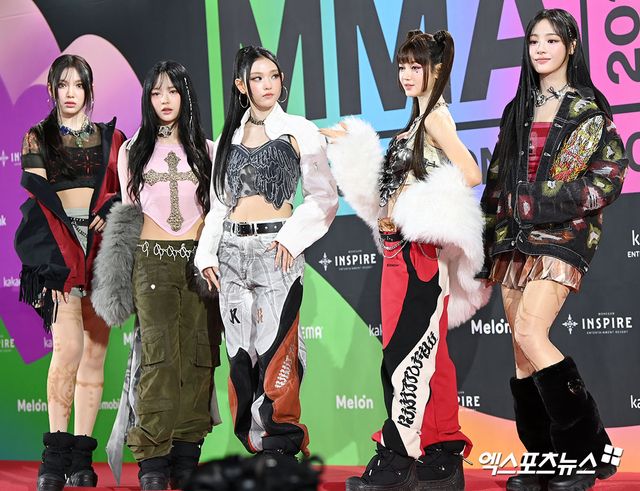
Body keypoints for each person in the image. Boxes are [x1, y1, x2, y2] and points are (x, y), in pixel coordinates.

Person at [321, 30, 487, 491]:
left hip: (418, 255)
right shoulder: (416, 120)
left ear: (436, 69)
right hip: (400, 253)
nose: (407, 75)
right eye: (402, 66)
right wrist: (351, 145)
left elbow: (470, 173)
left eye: (416, 66)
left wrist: (417, 203)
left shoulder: (435, 118)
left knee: (405, 358)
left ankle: (399, 458)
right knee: (427, 355)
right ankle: (439, 453)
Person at [478, 8, 628, 491]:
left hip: (562, 236)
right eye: (534, 41)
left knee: (531, 331)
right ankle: (545, 460)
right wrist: (486, 244)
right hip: (512, 241)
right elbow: (496, 183)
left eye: (552, 40)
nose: (541, 49)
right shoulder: (517, 109)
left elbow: (607, 180)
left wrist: (539, 201)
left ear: (571, 47)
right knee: (521, 352)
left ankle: (584, 452)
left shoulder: (588, 111)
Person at [194, 46, 338, 460]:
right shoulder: (227, 138)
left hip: (276, 249)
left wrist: (291, 238)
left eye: (273, 76)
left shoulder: (299, 130)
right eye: (258, 78)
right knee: (241, 354)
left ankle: (281, 442)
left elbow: (324, 197)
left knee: (278, 349)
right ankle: (256, 445)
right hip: (230, 252)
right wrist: (206, 254)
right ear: (242, 86)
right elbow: (219, 204)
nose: (268, 85)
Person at [98, 60, 221, 490]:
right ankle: (152, 459)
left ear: (186, 95)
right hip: (151, 262)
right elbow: (130, 209)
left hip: (199, 262)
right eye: (156, 92)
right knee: (158, 357)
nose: (165, 100)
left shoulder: (209, 149)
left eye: (172, 91)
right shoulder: (132, 150)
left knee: (200, 356)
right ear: (147, 99)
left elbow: (217, 212)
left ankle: (186, 453)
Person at [14, 54, 125, 491]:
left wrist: (112, 209)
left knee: (95, 357)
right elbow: (40, 202)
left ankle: (81, 459)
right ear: (52, 90)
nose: (71, 92)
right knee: (67, 349)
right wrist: (52, 261)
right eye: (63, 84)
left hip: (100, 256)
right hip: (59, 256)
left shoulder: (112, 139)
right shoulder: (38, 137)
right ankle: (54, 458)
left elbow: (127, 192)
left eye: (79, 84)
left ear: (90, 90)